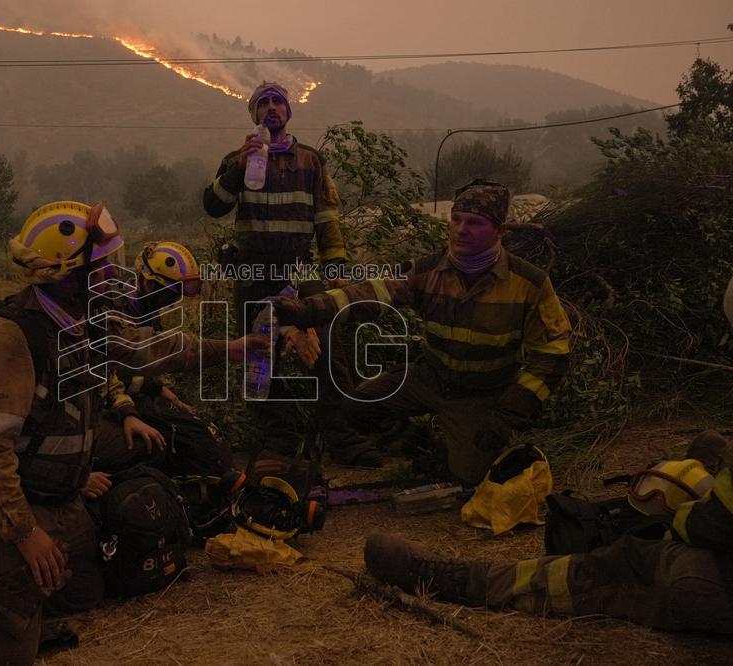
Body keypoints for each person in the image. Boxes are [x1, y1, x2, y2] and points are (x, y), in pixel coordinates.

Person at [0, 201, 258, 665]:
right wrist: (25, 532)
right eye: (101, 266)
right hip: (17, 508)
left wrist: (233, 349)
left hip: (64, 500)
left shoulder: (85, 323)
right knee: (2, 650)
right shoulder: (11, 339)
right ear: (65, 275)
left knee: (87, 591)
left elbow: (153, 349)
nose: (112, 276)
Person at [361, 276, 733, 634]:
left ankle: (465, 581)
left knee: (627, 563)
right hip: (444, 387)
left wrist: (681, 519)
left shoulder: (526, 282)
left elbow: (715, 527)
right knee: (709, 456)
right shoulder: (435, 272)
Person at [273, 179, 572, 485]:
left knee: (470, 477)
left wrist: (508, 414)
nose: (460, 229)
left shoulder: (530, 283)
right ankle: (418, 441)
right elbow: (374, 292)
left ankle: (453, 448)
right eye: (456, 220)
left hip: (480, 393)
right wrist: (310, 309)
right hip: (429, 377)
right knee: (355, 408)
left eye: (474, 223)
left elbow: (552, 355)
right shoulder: (428, 270)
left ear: (500, 231)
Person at [202, 80, 371, 465]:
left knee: (328, 346)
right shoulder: (236, 159)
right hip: (253, 272)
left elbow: (327, 219)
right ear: (254, 115)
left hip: (299, 272)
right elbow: (213, 206)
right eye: (263, 104)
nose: (272, 108)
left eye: (278, 102)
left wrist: (335, 267)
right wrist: (237, 171)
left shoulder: (311, 160)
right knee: (257, 360)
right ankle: (280, 437)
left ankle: (341, 437)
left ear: (289, 111)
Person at [90, 241, 232, 476]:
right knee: (167, 441)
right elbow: (109, 369)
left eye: (175, 294)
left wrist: (168, 395)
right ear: (147, 281)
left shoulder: (148, 311)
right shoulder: (110, 308)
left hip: (131, 395)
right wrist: (129, 411)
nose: (171, 300)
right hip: (108, 401)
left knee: (197, 431)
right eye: (168, 292)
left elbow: (149, 365)